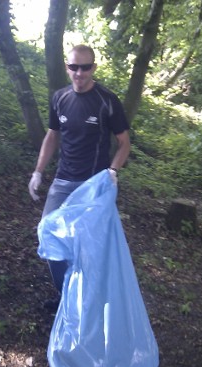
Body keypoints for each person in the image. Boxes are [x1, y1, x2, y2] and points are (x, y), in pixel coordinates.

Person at [28, 44, 131, 302]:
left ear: (93, 68)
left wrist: (112, 171)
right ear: (67, 67)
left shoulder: (107, 100)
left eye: (85, 67)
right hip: (63, 181)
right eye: (74, 67)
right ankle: (66, 297)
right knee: (48, 233)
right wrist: (38, 172)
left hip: (93, 185)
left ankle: (88, 301)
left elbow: (124, 143)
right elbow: (52, 135)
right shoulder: (60, 98)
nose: (79, 73)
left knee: (87, 247)